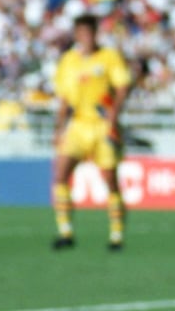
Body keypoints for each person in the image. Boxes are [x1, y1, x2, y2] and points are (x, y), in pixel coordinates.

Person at [50, 13, 132, 251]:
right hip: (77, 125)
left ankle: (116, 235)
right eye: (81, 33)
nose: (85, 37)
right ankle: (65, 232)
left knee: (109, 180)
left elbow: (122, 87)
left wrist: (113, 119)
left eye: (89, 32)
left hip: (102, 125)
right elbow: (64, 99)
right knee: (61, 173)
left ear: (96, 33)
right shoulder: (69, 61)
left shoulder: (109, 57)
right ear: (76, 35)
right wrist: (59, 129)